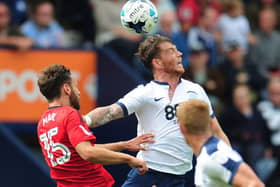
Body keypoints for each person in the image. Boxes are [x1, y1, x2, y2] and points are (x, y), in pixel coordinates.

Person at [84, 34, 229, 187]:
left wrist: (230, 162)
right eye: (171, 51)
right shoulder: (145, 92)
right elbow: (110, 111)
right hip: (147, 173)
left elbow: (216, 131)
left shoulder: (196, 91)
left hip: (178, 178)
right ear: (157, 62)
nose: (179, 53)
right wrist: (83, 121)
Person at [37, 64, 154, 187]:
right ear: (67, 88)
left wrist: (123, 145)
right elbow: (88, 152)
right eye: (75, 86)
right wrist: (129, 159)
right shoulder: (69, 114)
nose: (78, 92)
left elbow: (80, 149)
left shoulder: (43, 122)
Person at [177, 99, 265, 187]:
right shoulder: (207, 154)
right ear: (210, 124)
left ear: (182, 129)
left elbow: (256, 184)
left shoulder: (214, 155)